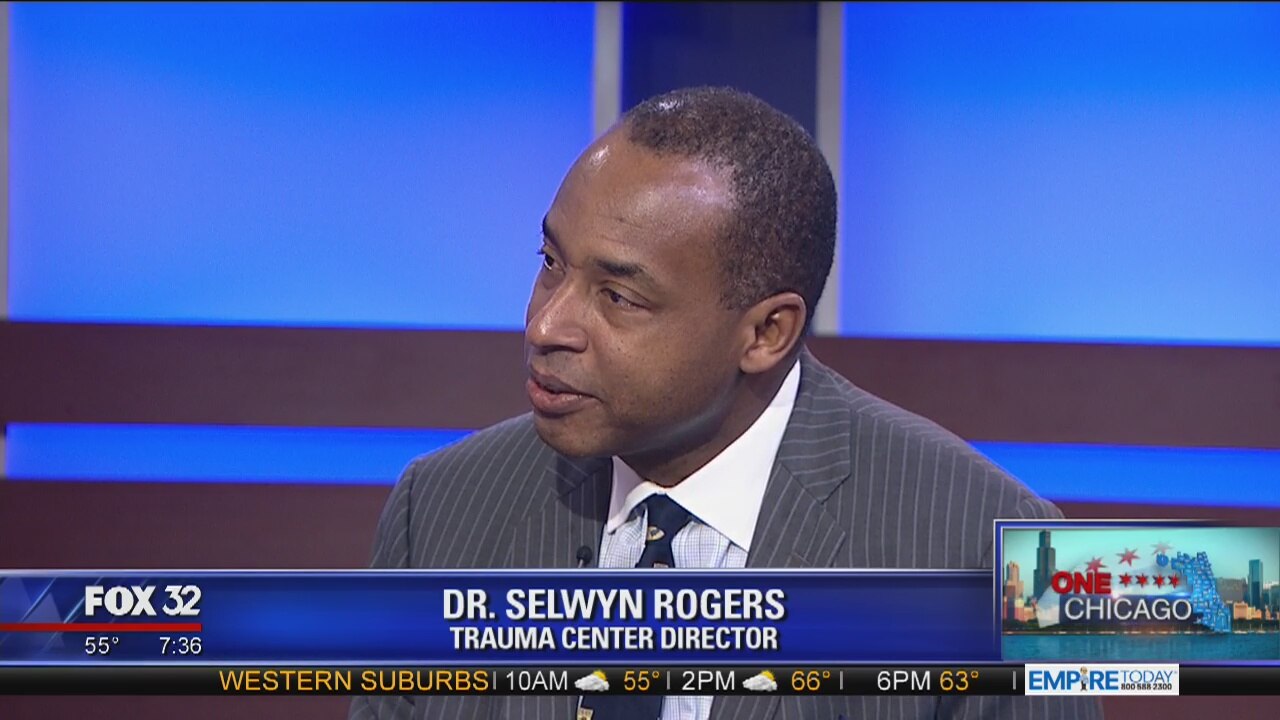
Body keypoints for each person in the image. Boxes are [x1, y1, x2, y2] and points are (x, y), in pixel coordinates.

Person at [349, 87, 1101, 720]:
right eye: (551, 263)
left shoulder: (992, 560)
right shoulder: (438, 511)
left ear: (767, 333)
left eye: (618, 297)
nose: (546, 325)